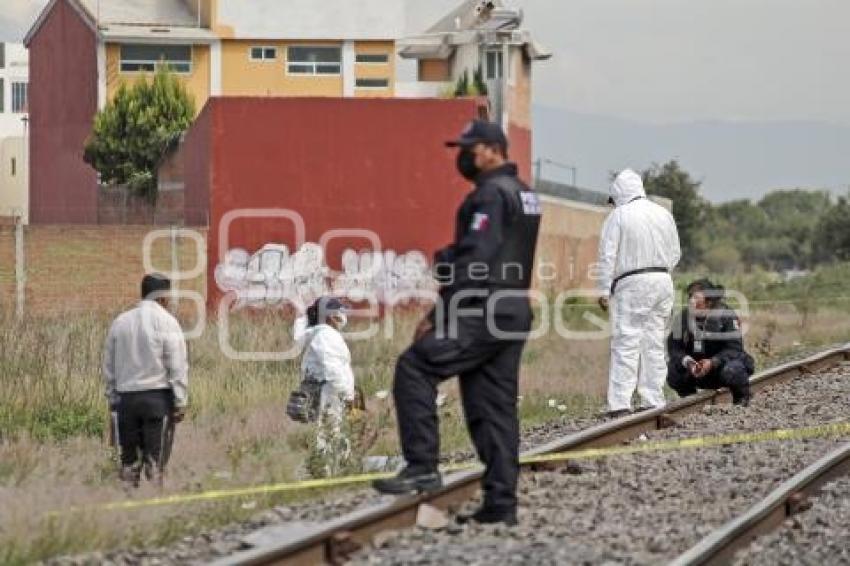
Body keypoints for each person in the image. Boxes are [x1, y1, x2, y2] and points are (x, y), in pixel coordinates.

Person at [373, 120, 542, 527]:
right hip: (512, 307)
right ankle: (501, 504)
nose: (463, 156)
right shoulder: (525, 194)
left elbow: (475, 260)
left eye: (471, 148)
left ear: (494, 150)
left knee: (415, 366)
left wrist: (439, 313)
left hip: (481, 307)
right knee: (493, 407)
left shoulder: (490, 195)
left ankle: (422, 466)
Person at [597, 169, 681, 418]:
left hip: (633, 283)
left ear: (618, 194)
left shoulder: (619, 216)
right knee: (653, 342)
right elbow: (675, 252)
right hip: (663, 281)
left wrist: (603, 288)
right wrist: (660, 271)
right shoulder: (663, 214)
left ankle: (620, 405)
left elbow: (607, 255)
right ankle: (653, 400)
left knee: (626, 342)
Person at [103, 274, 188, 486]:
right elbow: (177, 365)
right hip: (157, 400)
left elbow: (109, 366)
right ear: (161, 297)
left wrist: (113, 399)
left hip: (126, 401)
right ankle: (154, 505)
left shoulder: (120, 322)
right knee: (155, 462)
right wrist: (180, 401)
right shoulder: (167, 322)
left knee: (129, 462)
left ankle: (128, 504)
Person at [293, 296, 357, 476]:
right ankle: (328, 470)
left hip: (329, 390)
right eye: (339, 311)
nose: (343, 316)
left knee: (329, 429)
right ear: (330, 316)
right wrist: (348, 395)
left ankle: (334, 467)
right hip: (331, 391)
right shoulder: (326, 336)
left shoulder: (320, 334)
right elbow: (333, 368)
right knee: (331, 430)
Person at [667, 279, 754, 406]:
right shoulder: (683, 317)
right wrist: (688, 361)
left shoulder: (726, 316)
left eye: (696, 298)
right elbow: (674, 347)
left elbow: (734, 349)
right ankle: (690, 401)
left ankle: (741, 398)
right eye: (690, 296)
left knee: (733, 369)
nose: (692, 301)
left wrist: (713, 362)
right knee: (673, 369)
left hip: (720, 368)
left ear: (709, 302)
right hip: (695, 369)